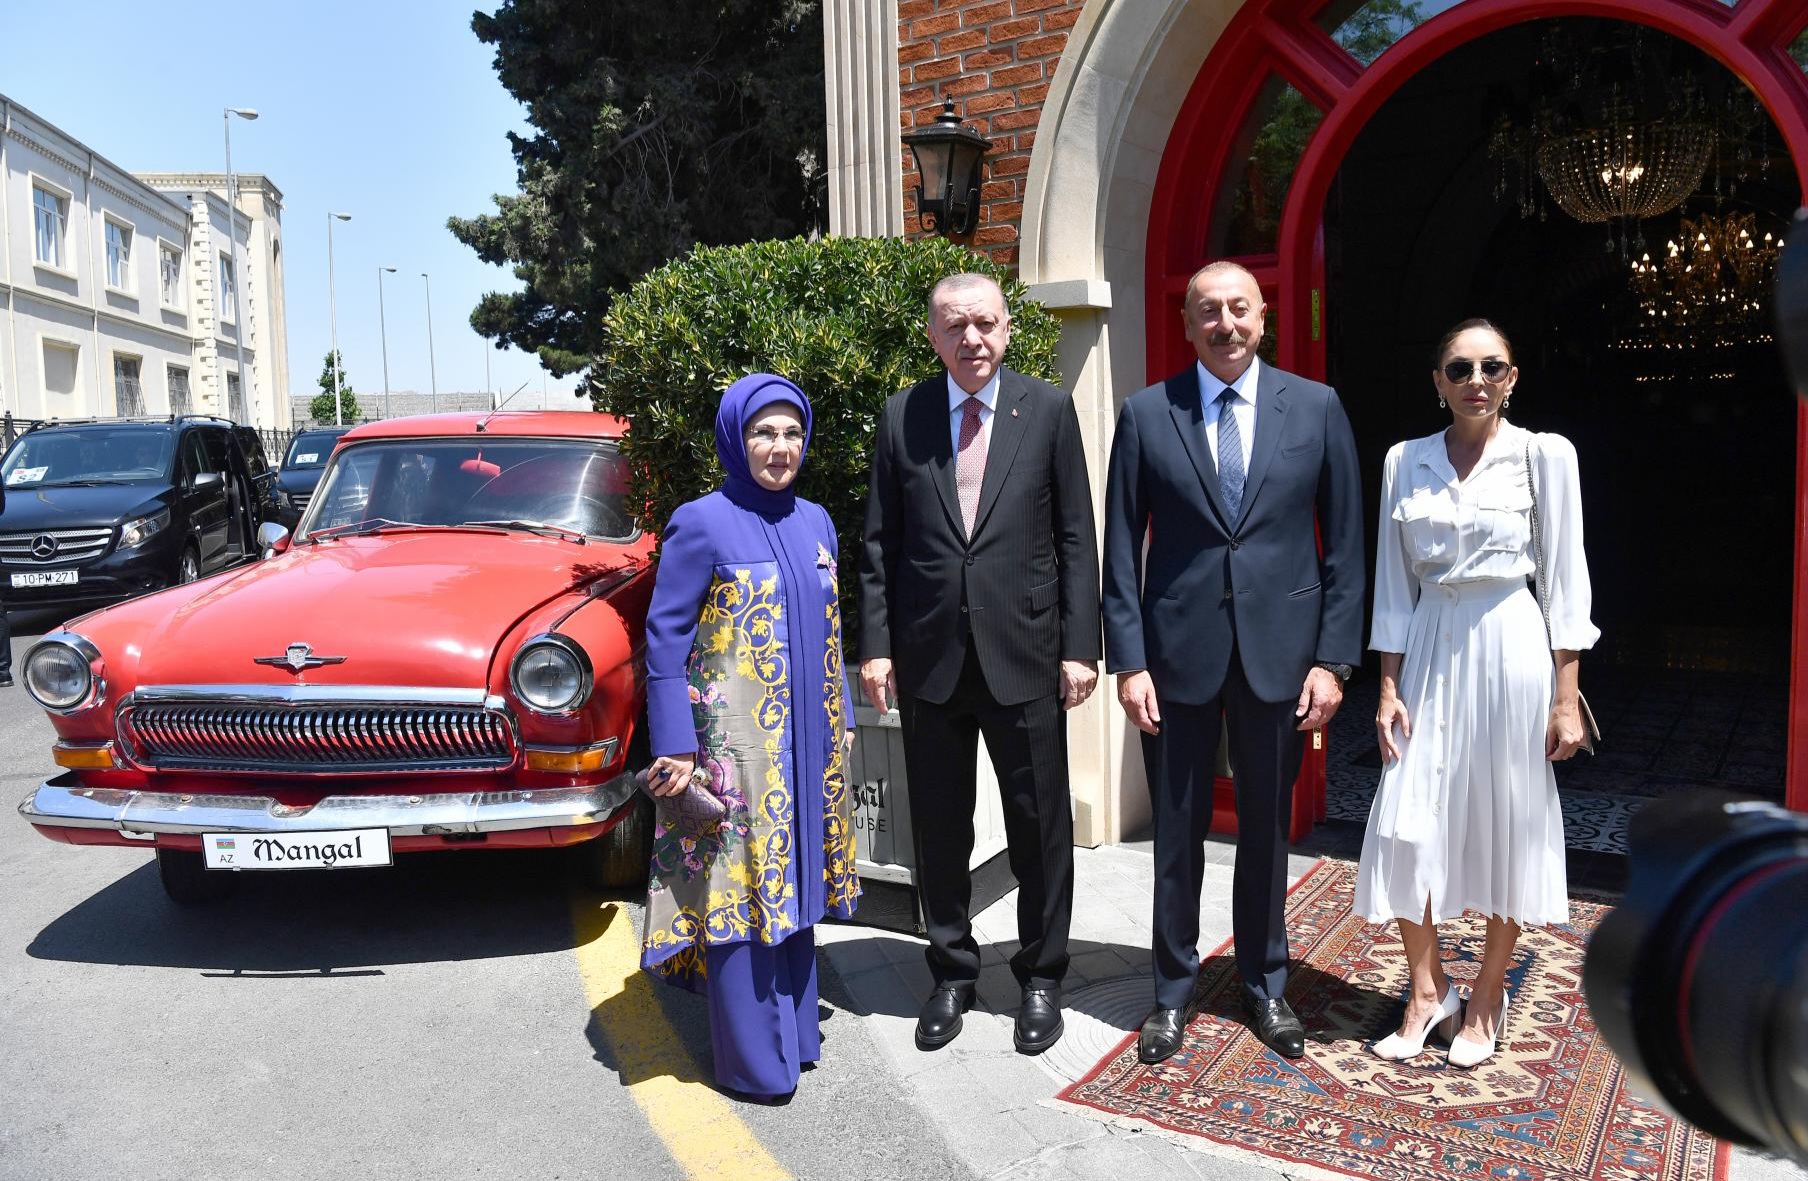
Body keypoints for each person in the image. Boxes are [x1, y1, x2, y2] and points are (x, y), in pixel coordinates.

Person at [1101, 261, 1364, 1063]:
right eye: (1208, 311)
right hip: (1174, 659)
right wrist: (1129, 662)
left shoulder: (1316, 408)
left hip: (1281, 658)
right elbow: (1120, 548)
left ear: (1263, 318)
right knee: (1176, 834)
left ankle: (1265, 983)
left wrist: (1332, 661)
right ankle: (1172, 990)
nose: (1225, 324)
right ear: (1187, 325)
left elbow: (1345, 546)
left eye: (1239, 308)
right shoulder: (1147, 413)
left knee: (1266, 831)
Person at [858, 272, 1101, 1056]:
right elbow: (879, 544)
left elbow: (1076, 535)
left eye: (986, 323)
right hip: (930, 658)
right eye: (955, 325)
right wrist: (877, 645)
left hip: (1025, 653)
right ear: (932, 336)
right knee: (939, 827)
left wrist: (1080, 646)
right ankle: (952, 972)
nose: (973, 338)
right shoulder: (902, 415)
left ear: (1007, 329)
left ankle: (1041, 975)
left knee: (1040, 826)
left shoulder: (1048, 410)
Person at [1357, 319, 1596, 1069]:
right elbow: (1391, 585)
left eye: (1492, 367)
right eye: (1460, 368)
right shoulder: (1406, 460)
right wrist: (1387, 686)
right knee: (1405, 818)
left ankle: (1487, 994)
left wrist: (1566, 697)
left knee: (1507, 817)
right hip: (1429, 642)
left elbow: (1566, 582)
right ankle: (1428, 992)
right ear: (1438, 381)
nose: (1476, 380)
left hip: (1511, 644)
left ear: (1512, 378)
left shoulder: (1545, 455)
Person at [638, 373, 861, 1102]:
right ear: (736, 436)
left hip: (807, 746)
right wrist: (675, 744)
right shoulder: (701, 521)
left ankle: (795, 1036)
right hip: (735, 753)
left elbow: (832, 628)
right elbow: (664, 639)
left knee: (792, 879)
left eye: (792, 433)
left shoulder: (817, 520)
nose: (780, 447)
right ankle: (753, 1062)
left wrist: (843, 717)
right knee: (742, 885)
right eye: (764, 432)